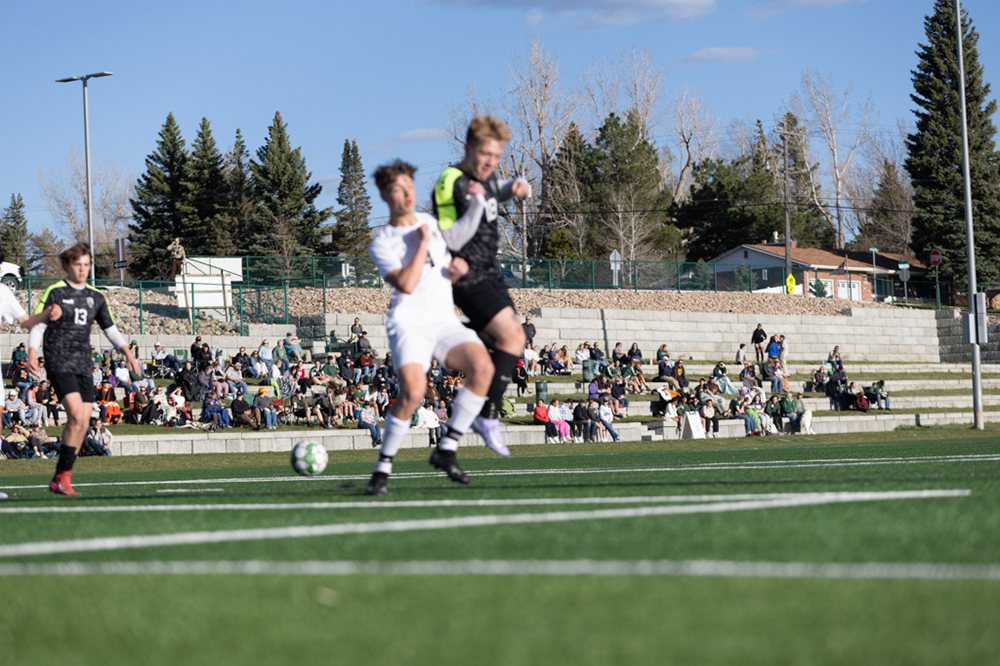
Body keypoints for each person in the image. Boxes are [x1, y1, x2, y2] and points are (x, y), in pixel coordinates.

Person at [364, 160, 497, 496]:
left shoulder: (430, 222)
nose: (408, 194)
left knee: (483, 368)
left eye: (410, 186)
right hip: (409, 323)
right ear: (385, 195)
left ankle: (447, 447)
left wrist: (456, 270)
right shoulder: (383, 242)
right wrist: (422, 242)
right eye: (399, 189)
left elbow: (448, 258)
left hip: (443, 320)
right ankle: (382, 468)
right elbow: (407, 284)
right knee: (413, 393)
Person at [432, 115, 530, 455]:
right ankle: (488, 415)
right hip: (466, 274)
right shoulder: (451, 181)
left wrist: (511, 188)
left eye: (496, 156)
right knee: (512, 336)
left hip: (491, 272)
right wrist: (474, 204)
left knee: (515, 338)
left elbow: (491, 194)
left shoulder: (485, 180)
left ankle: (441, 337)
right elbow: (450, 236)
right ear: (468, 149)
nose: (491, 162)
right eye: (485, 154)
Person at [27, 243, 140, 496]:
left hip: (83, 365)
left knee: (82, 423)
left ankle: (61, 476)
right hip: (58, 361)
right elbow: (38, 325)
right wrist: (32, 351)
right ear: (67, 266)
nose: (82, 269)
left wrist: (127, 351)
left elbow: (110, 329)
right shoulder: (55, 291)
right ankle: (63, 478)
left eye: (86, 265)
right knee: (77, 416)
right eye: (78, 264)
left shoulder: (96, 296)